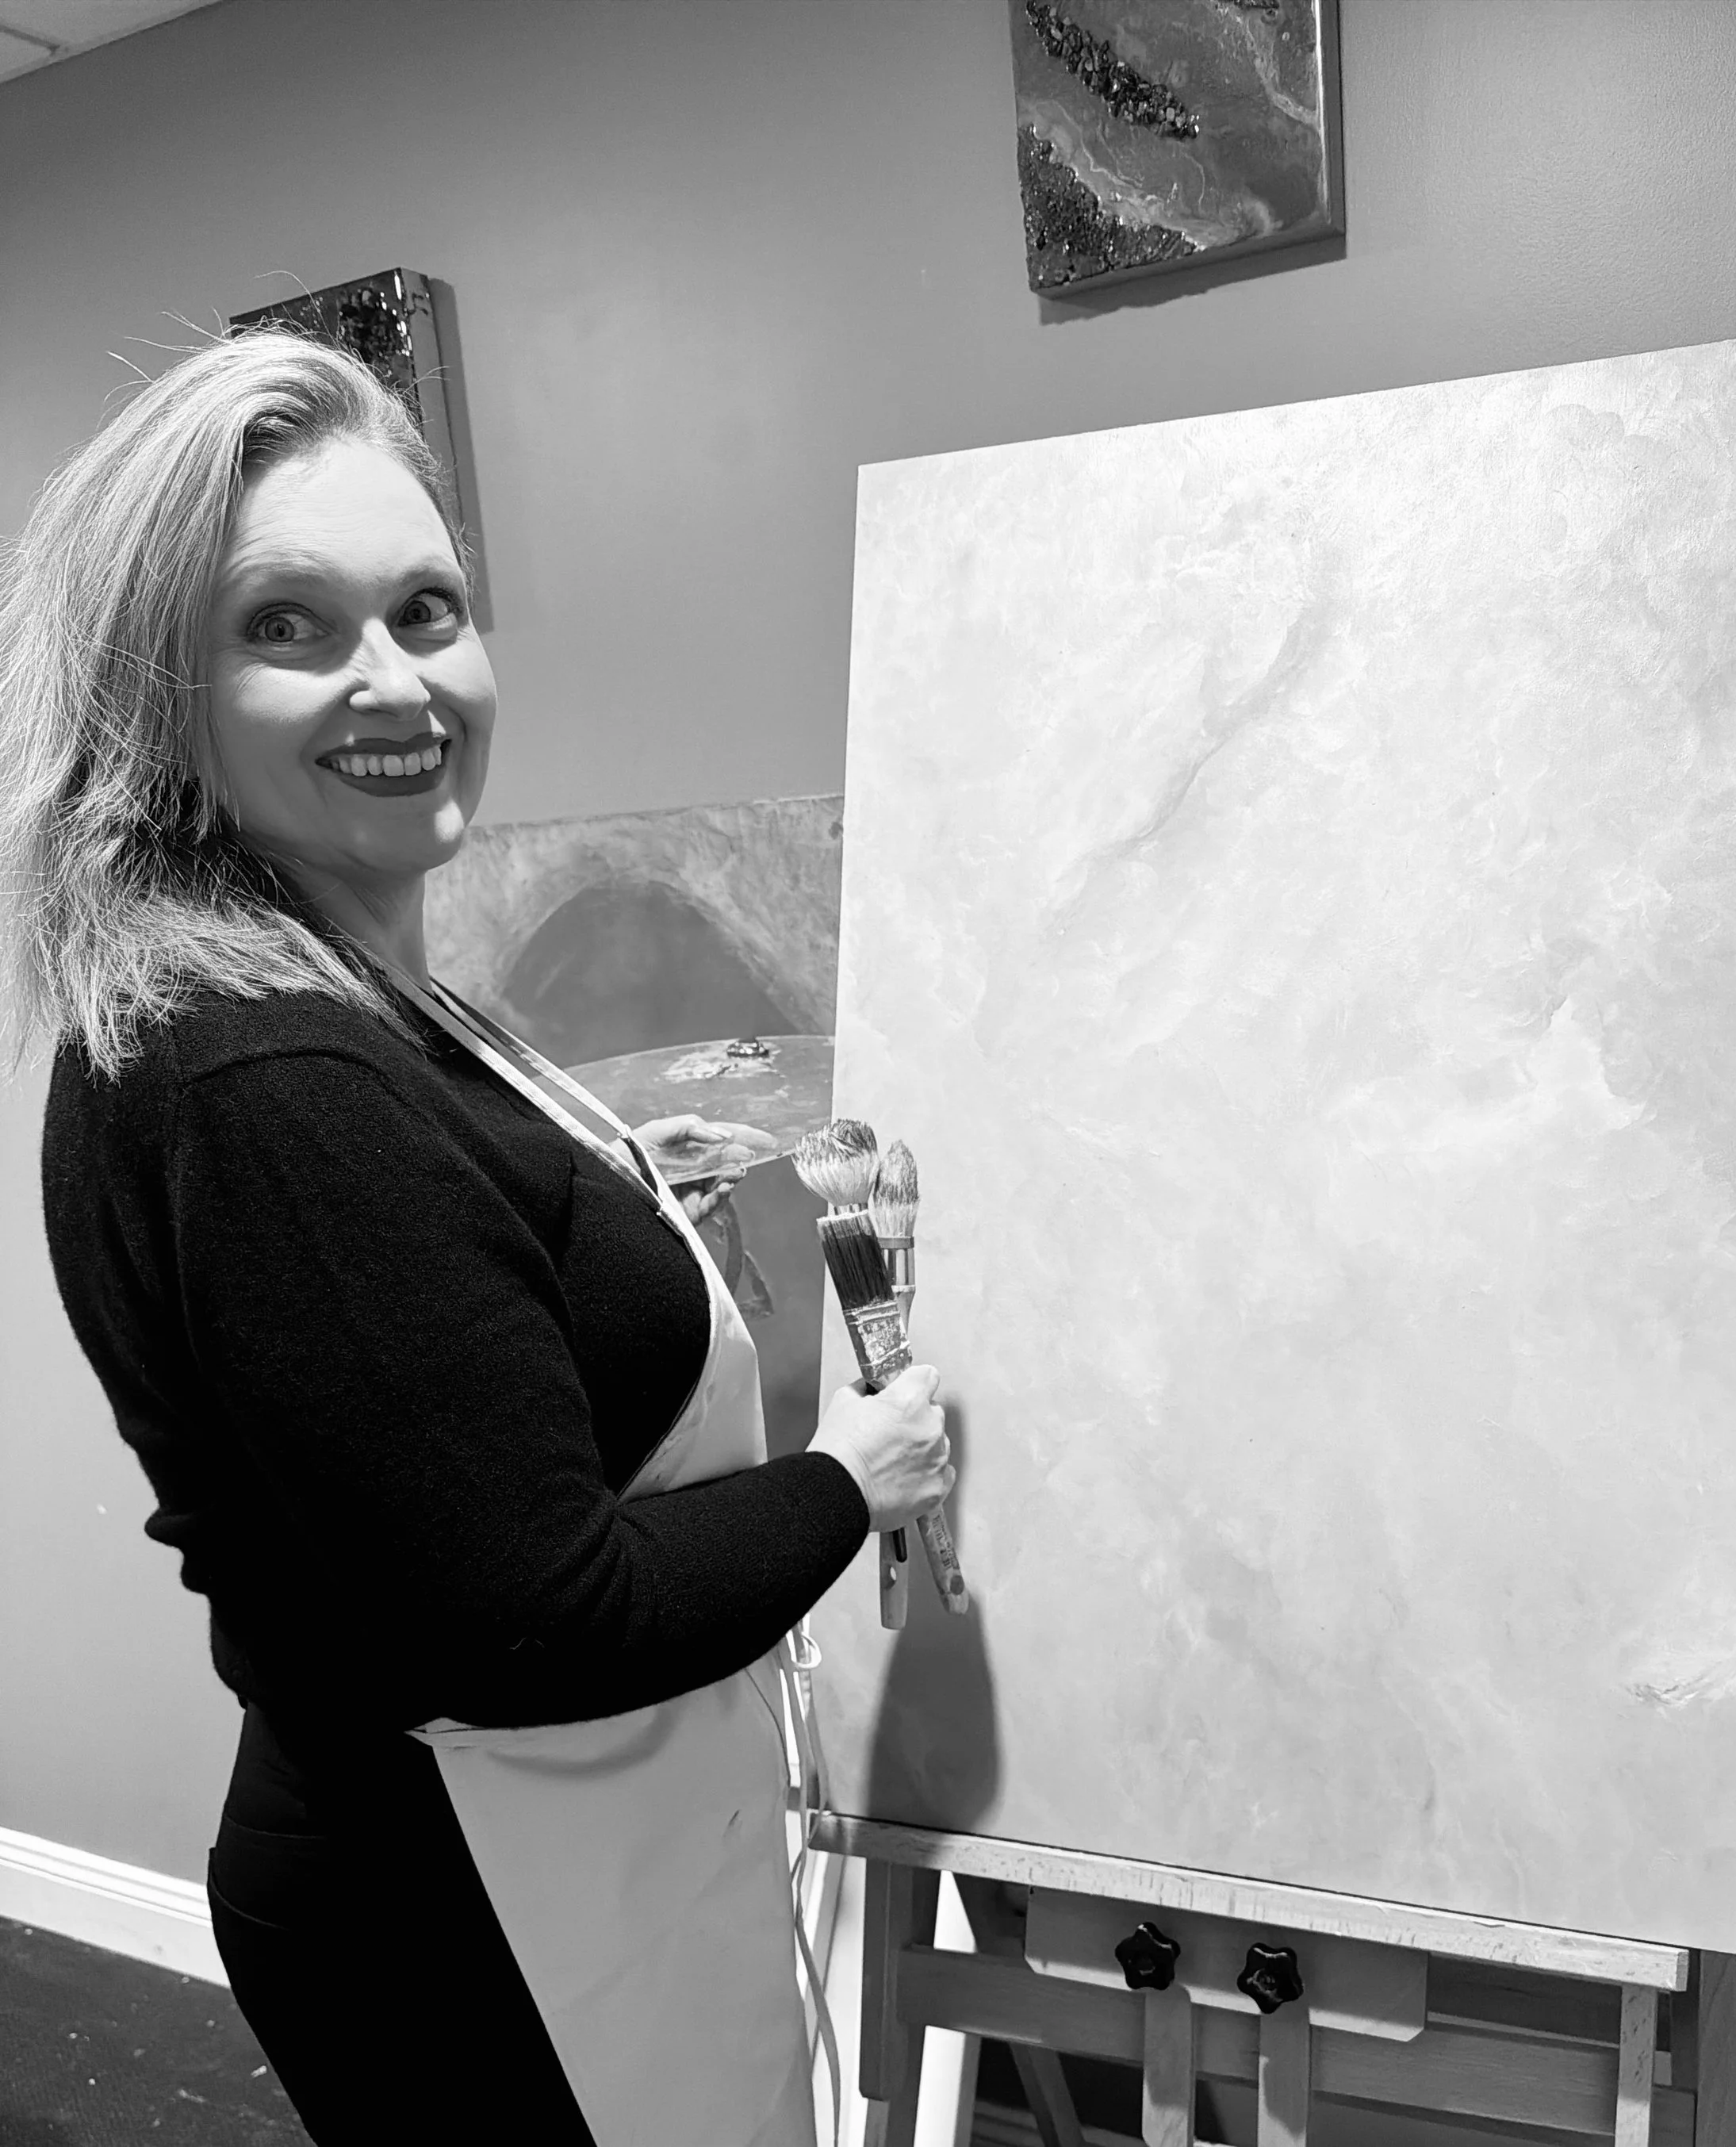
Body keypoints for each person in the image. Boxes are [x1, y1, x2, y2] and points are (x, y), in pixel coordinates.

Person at [0, 330, 954, 2146]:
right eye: (286, 625)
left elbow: (419, 1306)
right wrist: (857, 1474)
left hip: (499, 1846)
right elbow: (534, 1627)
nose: (395, 682)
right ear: (152, 692)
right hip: (464, 1905)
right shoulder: (273, 1078)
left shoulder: (318, 986)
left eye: (425, 611)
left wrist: (589, 1193)